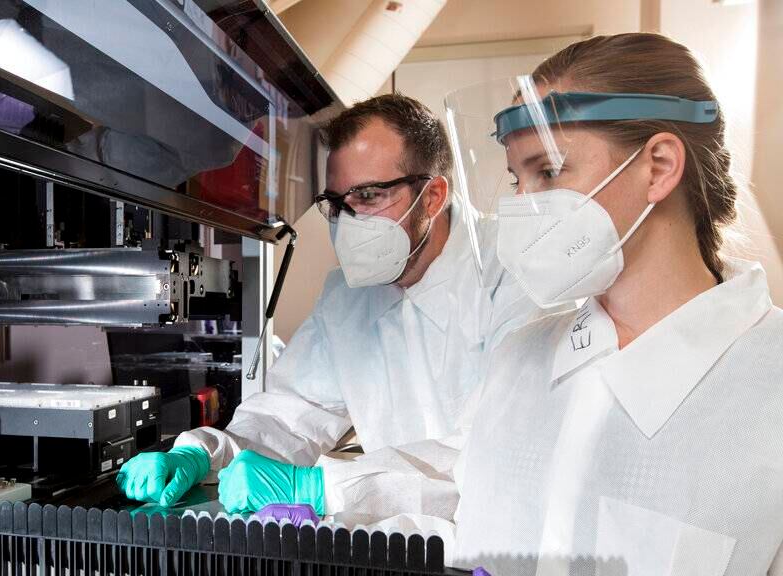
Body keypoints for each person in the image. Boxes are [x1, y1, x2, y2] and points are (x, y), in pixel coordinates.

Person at [313, 32, 783, 574]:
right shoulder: (522, 358)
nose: (520, 206)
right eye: (517, 178)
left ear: (658, 166)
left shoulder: (768, 388)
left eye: (549, 171)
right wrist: (326, 521)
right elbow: (475, 524)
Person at [116, 94, 537, 518]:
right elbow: (292, 415)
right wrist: (203, 454)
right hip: (406, 541)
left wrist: (320, 488)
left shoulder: (515, 272)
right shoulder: (348, 296)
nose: (349, 222)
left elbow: (497, 456)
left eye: (368, 195)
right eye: (336, 204)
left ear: (432, 196)